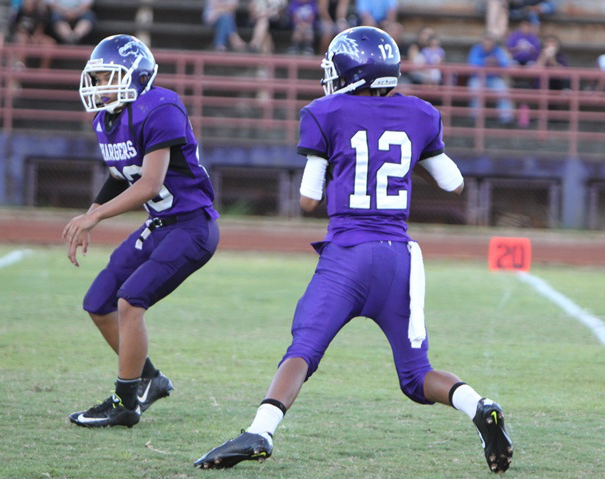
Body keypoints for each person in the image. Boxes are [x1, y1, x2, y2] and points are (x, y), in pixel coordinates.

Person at [193, 26, 513, 475]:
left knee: (304, 349)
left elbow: (308, 200)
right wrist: (405, 158)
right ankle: (478, 406)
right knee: (416, 375)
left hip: (348, 254)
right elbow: (454, 183)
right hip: (400, 257)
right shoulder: (419, 113)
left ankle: (261, 431)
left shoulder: (326, 112)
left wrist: (340, 165)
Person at [64, 34, 220, 428]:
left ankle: (125, 402)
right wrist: (91, 211)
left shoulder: (159, 107)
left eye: (109, 78)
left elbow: (150, 184)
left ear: (136, 75)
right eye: (98, 79)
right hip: (159, 226)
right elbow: (121, 175)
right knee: (98, 301)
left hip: (191, 226)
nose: (101, 86)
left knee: (130, 302)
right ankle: (149, 379)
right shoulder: (108, 118)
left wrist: (96, 218)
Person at [467, 32, 514, 124]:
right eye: (486, 40)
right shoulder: (476, 49)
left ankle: (506, 118)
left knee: (503, 91)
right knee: (475, 90)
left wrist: (497, 61)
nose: (488, 42)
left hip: (494, 78)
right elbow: (472, 62)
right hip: (478, 78)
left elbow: (505, 63)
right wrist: (485, 61)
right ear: (482, 41)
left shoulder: (497, 50)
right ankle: (475, 117)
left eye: (491, 40)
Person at [9, 0, 56, 70]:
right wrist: (25, 34)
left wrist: (35, 37)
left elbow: (41, 27)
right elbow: (16, 27)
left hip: (36, 37)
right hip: (23, 36)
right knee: (22, 38)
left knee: (50, 43)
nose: (29, 4)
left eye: (30, 2)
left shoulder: (40, 12)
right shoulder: (19, 12)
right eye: (27, 2)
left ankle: (44, 70)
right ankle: (20, 65)